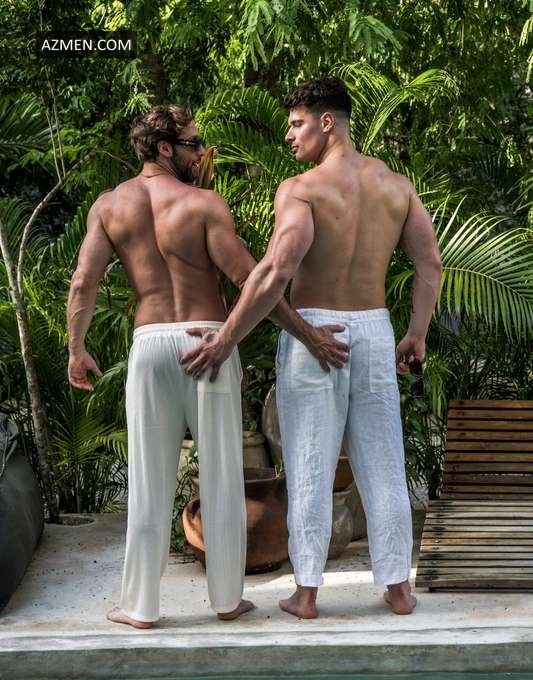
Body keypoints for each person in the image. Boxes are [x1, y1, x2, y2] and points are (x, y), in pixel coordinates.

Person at [66, 104, 348, 628]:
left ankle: (140, 607)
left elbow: (83, 281)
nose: (201, 153)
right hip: (208, 340)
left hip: (150, 345)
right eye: (193, 144)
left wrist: (75, 349)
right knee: (221, 477)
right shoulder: (203, 205)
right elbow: (251, 280)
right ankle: (226, 601)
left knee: (148, 481)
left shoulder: (109, 206)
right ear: (165, 148)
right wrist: (307, 334)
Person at [180, 78, 443, 619]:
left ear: (327, 122)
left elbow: (276, 269)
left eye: (297, 124)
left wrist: (226, 339)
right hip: (374, 331)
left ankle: (306, 594)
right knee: (384, 464)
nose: (289, 135)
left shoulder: (302, 189)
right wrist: (416, 333)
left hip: (315, 332)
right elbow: (430, 264)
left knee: (309, 465)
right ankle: (398, 589)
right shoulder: (397, 186)